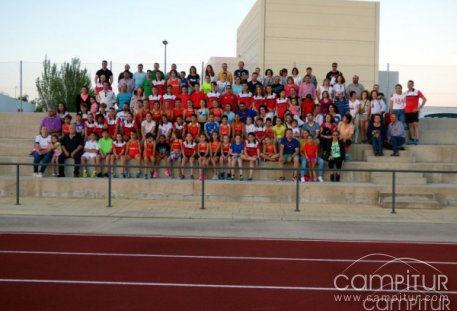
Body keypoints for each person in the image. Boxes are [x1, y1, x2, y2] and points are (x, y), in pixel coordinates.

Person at [404, 80, 427, 145]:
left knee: (415, 125)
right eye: (408, 84)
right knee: (410, 126)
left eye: (410, 84)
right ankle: (413, 139)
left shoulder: (417, 91)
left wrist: (419, 108)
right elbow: (403, 102)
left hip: (414, 111)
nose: (409, 85)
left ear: (413, 85)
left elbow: (425, 99)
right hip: (407, 111)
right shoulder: (405, 93)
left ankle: (417, 139)